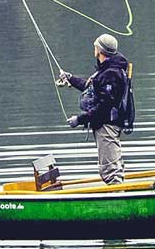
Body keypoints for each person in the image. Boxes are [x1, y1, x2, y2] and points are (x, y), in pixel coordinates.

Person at [57, 33, 134, 184]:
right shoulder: (108, 70)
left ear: (100, 50)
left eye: (95, 46)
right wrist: (70, 79)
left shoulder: (111, 74)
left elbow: (103, 108)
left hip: (107, 126)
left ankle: (118, 200)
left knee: (110, 172)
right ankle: (118, 195)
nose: (94, 49)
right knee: (112, 166)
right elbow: (91, 88)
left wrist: (79, 120)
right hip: (107, 125)